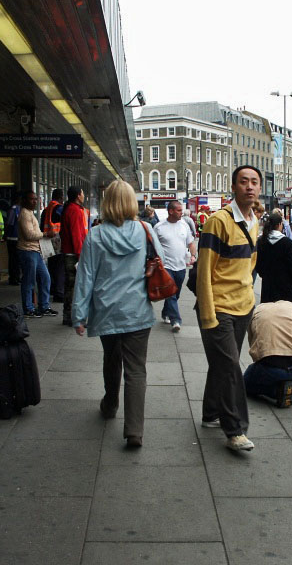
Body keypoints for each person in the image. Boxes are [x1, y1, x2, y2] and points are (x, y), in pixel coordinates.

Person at [72, 180, 164, 448]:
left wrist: (79, 314)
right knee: (136, 370)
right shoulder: (145, 229)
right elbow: (159, 260)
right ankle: (134, 430)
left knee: (111, 359)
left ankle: (110, 404)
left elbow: (85, 277)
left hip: (106, 310)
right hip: (137, 310)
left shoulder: (95, 235)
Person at [197, 165, 260, 452]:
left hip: (243, 307)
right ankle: (235, 430)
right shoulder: (217, 222)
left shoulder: (254, 221)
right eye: (244, 181)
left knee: (222, 365)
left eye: (254, 182)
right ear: (233, 187)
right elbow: (204, 272)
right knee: (231, 366)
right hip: (219, 308)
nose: (249, 186)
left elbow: (251, 263)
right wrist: (208, 315)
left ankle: (211, 413)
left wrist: (248, 295)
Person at [243, 301, 292, 408]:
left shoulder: (256, 312)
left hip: (270, 368)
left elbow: (255, 348)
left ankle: (276, 391)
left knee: (245, 384)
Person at [153, 200, 196, 332]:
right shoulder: (159, 227)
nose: (181, 212)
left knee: (175, 294)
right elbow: (153, 246)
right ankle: (176, 320)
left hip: (181, 266)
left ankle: (166, 312)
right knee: (170, 293)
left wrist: (193, 256)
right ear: (171, 211)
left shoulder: (184, 225)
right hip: (165, 266)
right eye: (178, 210)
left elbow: (191, 243)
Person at [18, 191, 57, 318]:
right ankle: (28, 308)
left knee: (45, 277)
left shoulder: (31, 214)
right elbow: (29, 235)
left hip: (36, 251)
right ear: (24, 200)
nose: (34, 201)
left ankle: (44, 306)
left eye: (36, 199)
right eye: (31, 199)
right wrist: (45, 234)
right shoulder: (24, 213)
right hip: (27, 251)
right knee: (29, 281)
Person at [255, 212, 292, 304]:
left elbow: (258, 264)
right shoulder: (287, 243)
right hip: (285, 288)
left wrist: (265, 275)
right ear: (279, 224)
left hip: (268, 288)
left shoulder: (261, 242)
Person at [60, 186, 89, 326]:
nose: (84, 196)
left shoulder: (68, 209)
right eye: (83, 193)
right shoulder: (75, 211)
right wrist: (81, 254)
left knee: (70, 286)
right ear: (78, 195)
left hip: (68, 252)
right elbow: (77, 235)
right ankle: (75, 317)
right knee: (75, 286)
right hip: (74, 253)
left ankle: (68, 316)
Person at [41, 188, 66, 302]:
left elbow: (42, 225)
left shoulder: (46, 210)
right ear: (61, 197)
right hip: (57, 239)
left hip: (47, 239)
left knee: (51, 264)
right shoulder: (59, 208)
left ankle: (52, 288)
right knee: (60, 266)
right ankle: (59, 293)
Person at [4, 197, 22, 285]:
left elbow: (8, 223)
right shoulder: (20, 210)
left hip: (12, 237)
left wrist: (5, 234)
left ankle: (14, 278)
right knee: (17, 259)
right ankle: (16, 277)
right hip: (18, 237)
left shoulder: (13, 210)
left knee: (13, 259)